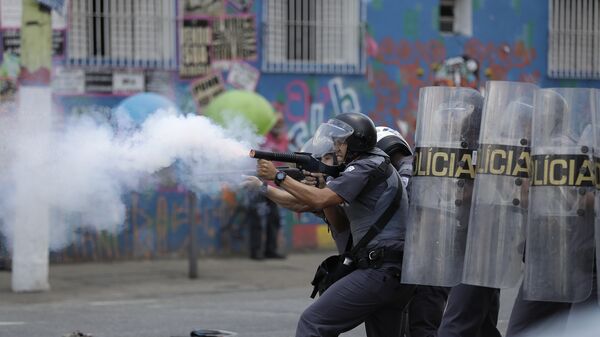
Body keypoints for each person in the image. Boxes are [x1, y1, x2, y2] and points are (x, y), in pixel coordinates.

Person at [256, 112, 415, 337]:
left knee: (313, 323)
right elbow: (336, 221)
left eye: (341, 142)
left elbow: (318, 200)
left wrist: (279, 177)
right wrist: (262, 187)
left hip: (380, 269)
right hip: (392, 271)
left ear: (356, 142)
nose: (337, 148)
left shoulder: (367, 164)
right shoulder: (367, 167)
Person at [376, 126, 449, 337]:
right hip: (433, 259)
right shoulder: (417, 166)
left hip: (425, 262)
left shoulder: (403, 172)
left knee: (422, 328)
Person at [247, 112, 288, 260]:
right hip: (259, 183)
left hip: (274, 185)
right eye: (276, 123)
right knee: (257, 217)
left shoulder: (284, 140)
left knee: (274, 218)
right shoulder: (263, 137)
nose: (278, 126)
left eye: (280, 123)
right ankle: (255, 251)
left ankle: (270, 250)